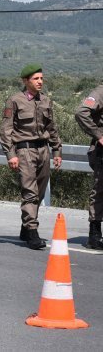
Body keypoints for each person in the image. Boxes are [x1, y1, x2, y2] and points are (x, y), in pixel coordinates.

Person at [0, 64, 62, 250]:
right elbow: (5, 131)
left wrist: (57, 150)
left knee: (40, 193)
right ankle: (33, 233)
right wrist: (11, 154)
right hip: (25, 151)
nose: (40, 81)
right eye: (36, 79)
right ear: (26, 81)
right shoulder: (14, 101)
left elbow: (52, 128)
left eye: (42, 78)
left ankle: (25, 227)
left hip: (43, 151)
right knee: (30, 192)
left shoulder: (45, 101)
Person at [75, 83, 103, 250]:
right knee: (100, 190)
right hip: (102, 152)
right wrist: (99, 135)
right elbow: (81, 113)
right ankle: (95, 235)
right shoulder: (101, 92)